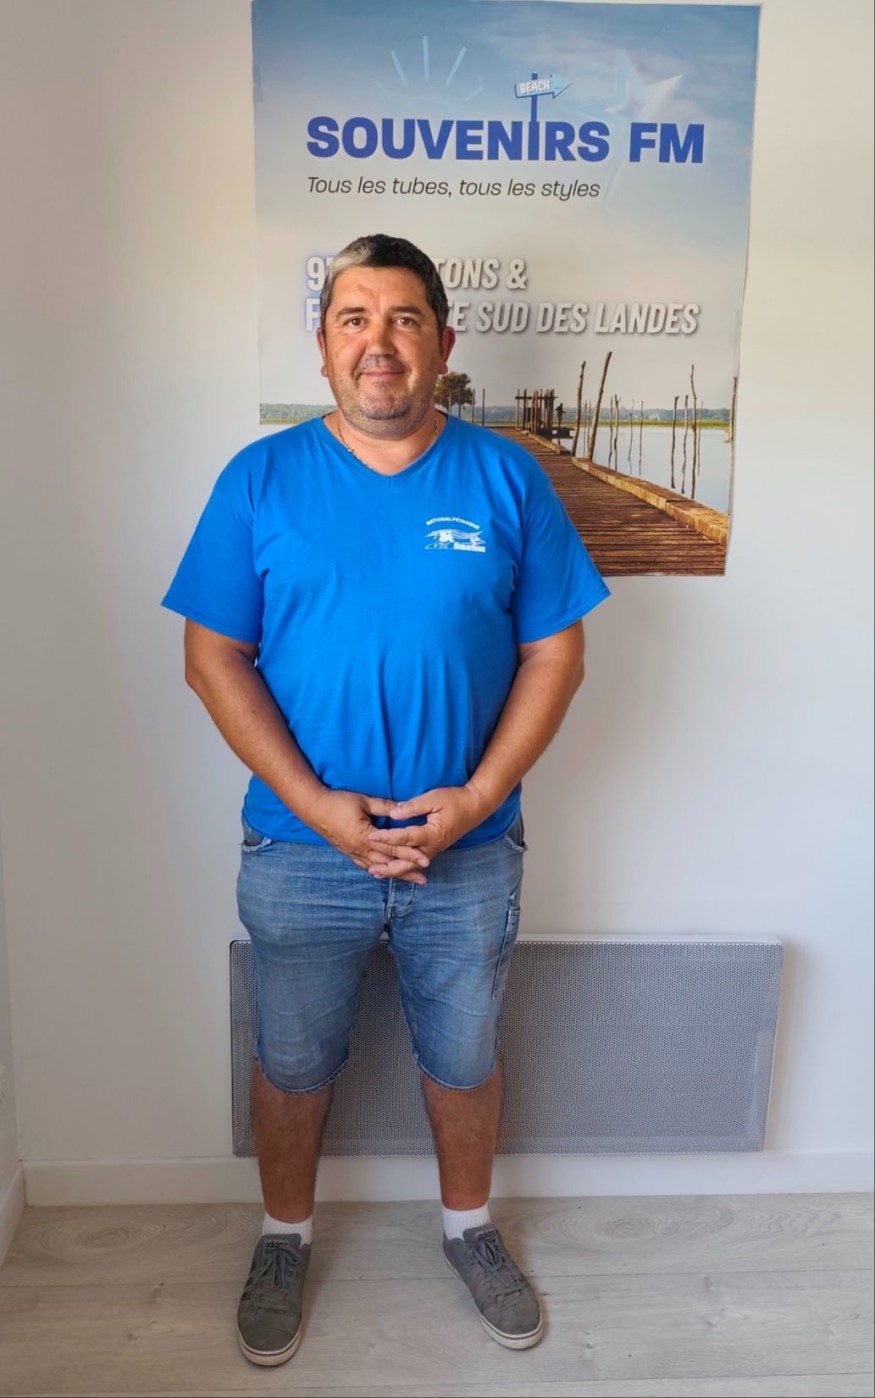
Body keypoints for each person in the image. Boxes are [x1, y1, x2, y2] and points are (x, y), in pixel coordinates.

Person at [162, 233, 609, 1366]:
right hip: (299, 845)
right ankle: (282, 1237)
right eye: (352, 318)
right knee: (291, 1059)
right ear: (321, 347)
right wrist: (320, 807)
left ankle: (469, 1229)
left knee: (463, 1054)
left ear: (442, 344)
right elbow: (211, 657)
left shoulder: (506, 478)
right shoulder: (258, 479)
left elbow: (556, 653)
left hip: (469, 845)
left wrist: (478, 797)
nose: (378, 342)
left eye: (403, 318)